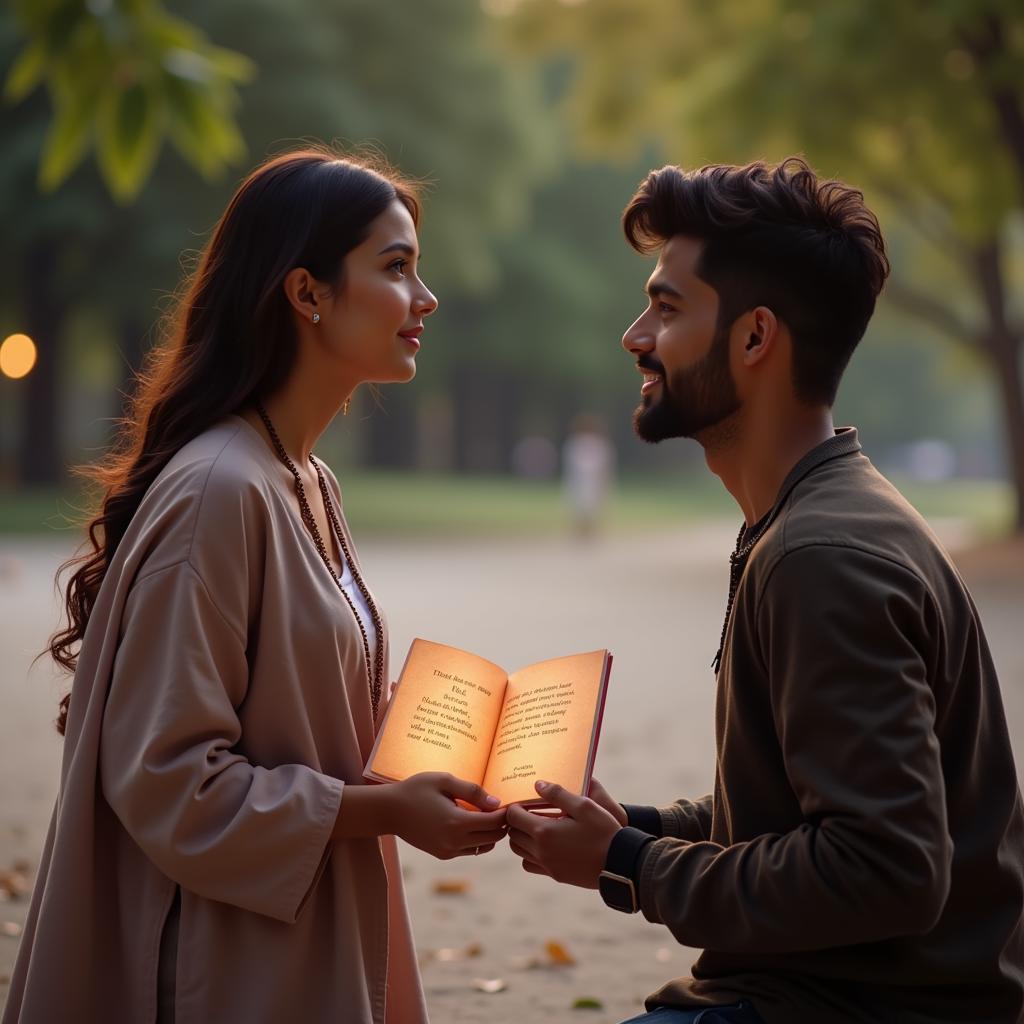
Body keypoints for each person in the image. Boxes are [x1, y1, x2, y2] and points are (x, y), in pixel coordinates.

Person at [507, 158, 1024, 1024]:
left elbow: (887, 867)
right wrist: (631, 827)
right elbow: (805, 801)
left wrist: (631, 861)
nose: (635, 335)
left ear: (754, 339)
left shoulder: (823, 554)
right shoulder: (814, 516)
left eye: (667, 307)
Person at [4, 150, 509, 1024]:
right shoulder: (218, 490)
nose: (425, 299)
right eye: (396, 268)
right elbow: (170, 780)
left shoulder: (304, 478)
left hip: (299, 927)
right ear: (307, 293)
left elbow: (299, 710)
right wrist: (384, 808)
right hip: (224, 959)